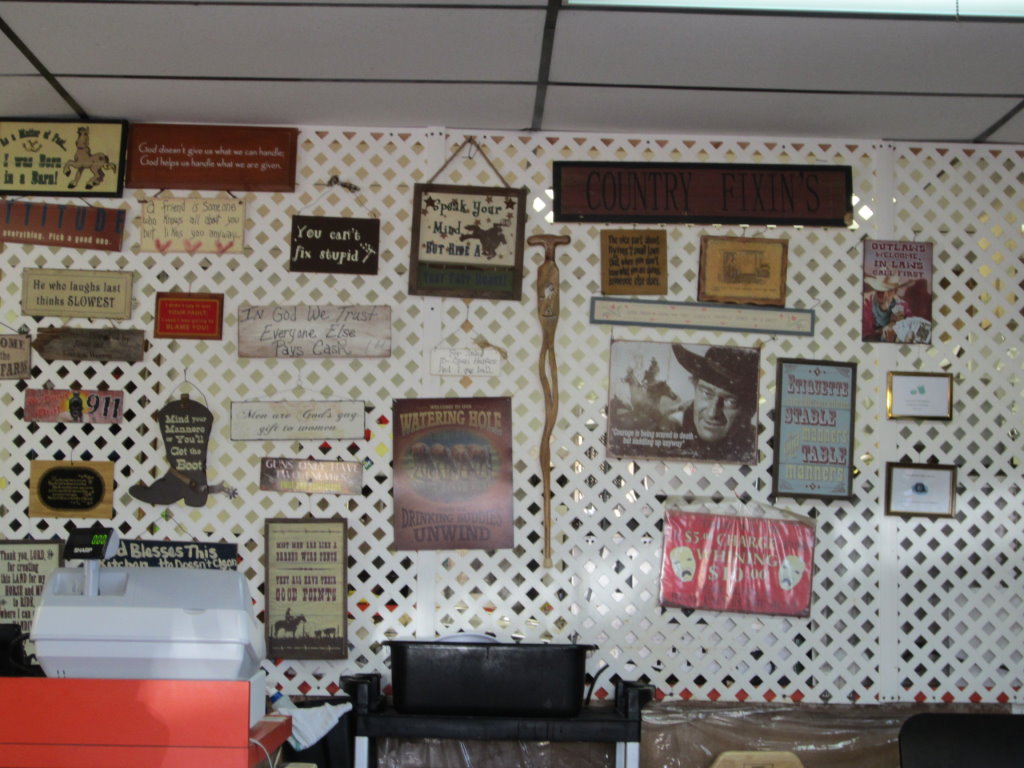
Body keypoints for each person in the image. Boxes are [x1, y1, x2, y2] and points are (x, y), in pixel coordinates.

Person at [670, 344, 759, 462]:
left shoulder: (756, 449)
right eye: (707, 394)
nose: (712, 413)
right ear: (695, 389)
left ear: (749, 410)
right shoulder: (668, 432)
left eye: (730, 401)